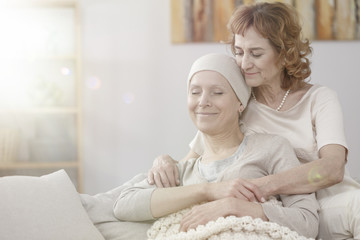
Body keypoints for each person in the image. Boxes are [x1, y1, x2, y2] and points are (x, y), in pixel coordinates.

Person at [147, 2, 360, 239]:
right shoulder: (239, 104)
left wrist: (257, 188)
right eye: (239, 52)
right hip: (279, 209)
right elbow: (191, 162)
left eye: (256, 54)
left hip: (332, 204)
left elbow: (332, 168)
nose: (244, 63)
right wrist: (163, 160)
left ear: (284, 53)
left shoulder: (319, 99)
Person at [113, 53, 319, 239]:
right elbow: (123, 205)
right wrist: (207, 191)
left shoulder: (270, 149)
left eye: (217, 93)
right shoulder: (181, 172)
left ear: (240, 103)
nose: (203, 101)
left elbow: (307, 222)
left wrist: (234, 206)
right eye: (195, 92)